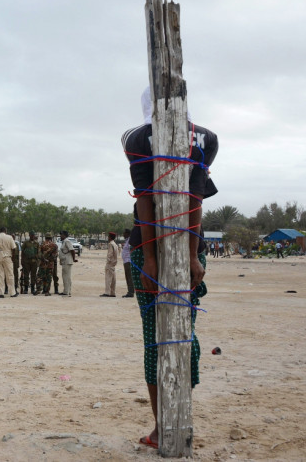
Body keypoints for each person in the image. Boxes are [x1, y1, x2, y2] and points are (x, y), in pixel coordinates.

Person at [122, 85, 218, 449]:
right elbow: (192, 200)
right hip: (177, 252)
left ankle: (171, 422)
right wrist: (189, 255)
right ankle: (167, 424)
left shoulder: (135, 137)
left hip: (158, 251)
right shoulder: (207, 138)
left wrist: (152, 258)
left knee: (166, 340)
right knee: (171, 338)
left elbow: (157, 199)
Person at [58, 230, 77, 296]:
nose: (60, 236)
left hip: (67, 261)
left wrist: (74, 259)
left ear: (64, 235)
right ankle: (67, 291)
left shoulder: (67, 241)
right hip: (65, 261)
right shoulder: (64, 242)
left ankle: (66, 292)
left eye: (61, 235)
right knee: (66, 276)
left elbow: (72, 250)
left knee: (66, 277)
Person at [101, 232, 118, 297]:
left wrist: (108, 262)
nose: (108, 237)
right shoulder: (115, 244)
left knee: (108, 278)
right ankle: (112, 293)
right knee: (113, 279)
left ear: (110, 237)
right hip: (114, 264)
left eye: (108, 236)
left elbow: (110, 254)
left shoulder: (110, 244)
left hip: (110, 263)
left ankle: (107, 292)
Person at [121, 229, 135, 297]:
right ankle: (130, 291)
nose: (123, 235)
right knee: (127, 276)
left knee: (129, 277)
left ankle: (131, 292)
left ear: (127, 233)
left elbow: (131, 250)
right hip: (125, 261)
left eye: (124, 233)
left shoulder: (130, 241)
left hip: (128, 261)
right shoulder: (127, 241)